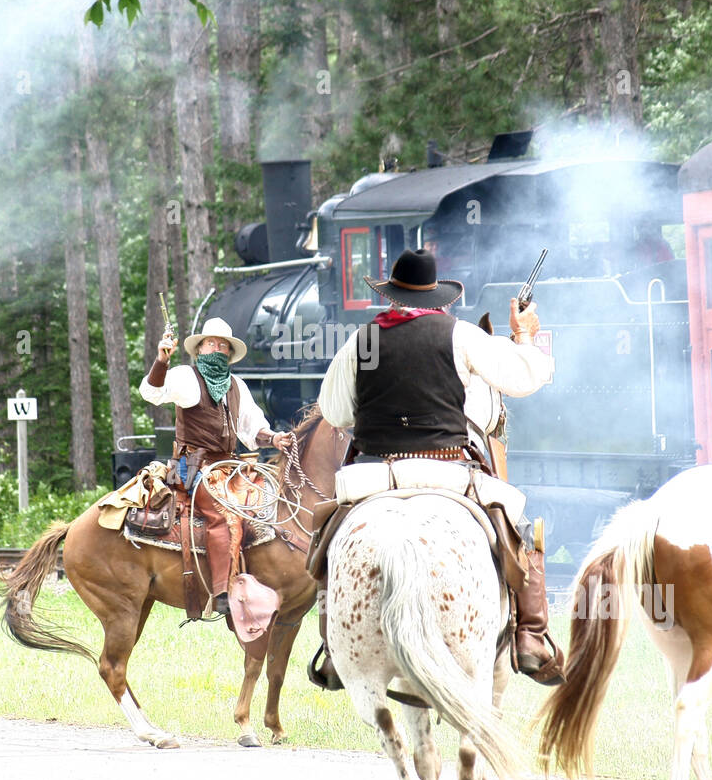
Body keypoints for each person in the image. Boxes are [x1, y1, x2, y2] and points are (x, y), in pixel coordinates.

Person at [312, 248, 564, 687]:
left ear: (391, 297)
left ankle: (335, 646)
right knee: (520, 528)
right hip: (449, 472)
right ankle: (531, 634)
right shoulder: (461, 335)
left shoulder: (362, 340)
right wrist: (524, 336)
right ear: (440, 298)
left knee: (327, 536)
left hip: (375, 475)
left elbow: (334, 411)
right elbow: (522, 380)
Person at [141, 316, 291, 616]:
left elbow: (252, 429)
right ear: (200, 350)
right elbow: (152, 393)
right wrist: (161, 362)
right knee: (222, 514)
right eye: (212, 343)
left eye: (223, 345)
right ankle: (222, 592)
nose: (218, 348)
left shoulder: (237, 385)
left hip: (229, 466)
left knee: (268, 505)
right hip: (191, 466)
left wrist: (274, 438)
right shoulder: (185, 376)